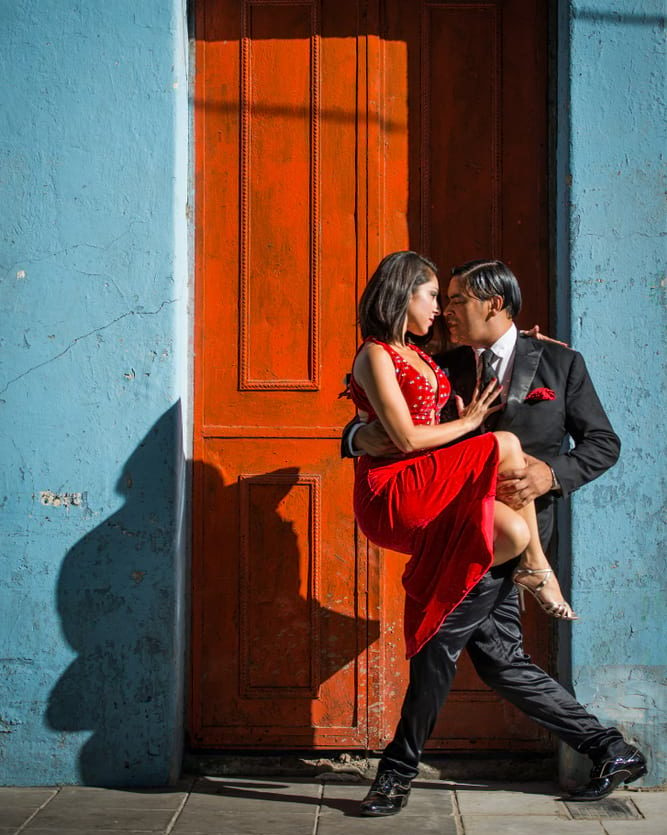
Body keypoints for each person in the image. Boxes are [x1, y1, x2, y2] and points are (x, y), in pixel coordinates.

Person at [344, 257, 646, 815]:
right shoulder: (442, 362)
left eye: (457, 301)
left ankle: (396, 772)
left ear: (495, 305)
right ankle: (611, 749)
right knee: (497, 658)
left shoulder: (560, 362)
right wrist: (358, 436)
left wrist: (549, 474)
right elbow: (389, 405)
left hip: (510, 531)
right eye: (443, 298)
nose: (446, 312)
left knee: (442, 641)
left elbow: (603, 444)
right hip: (457, 519)